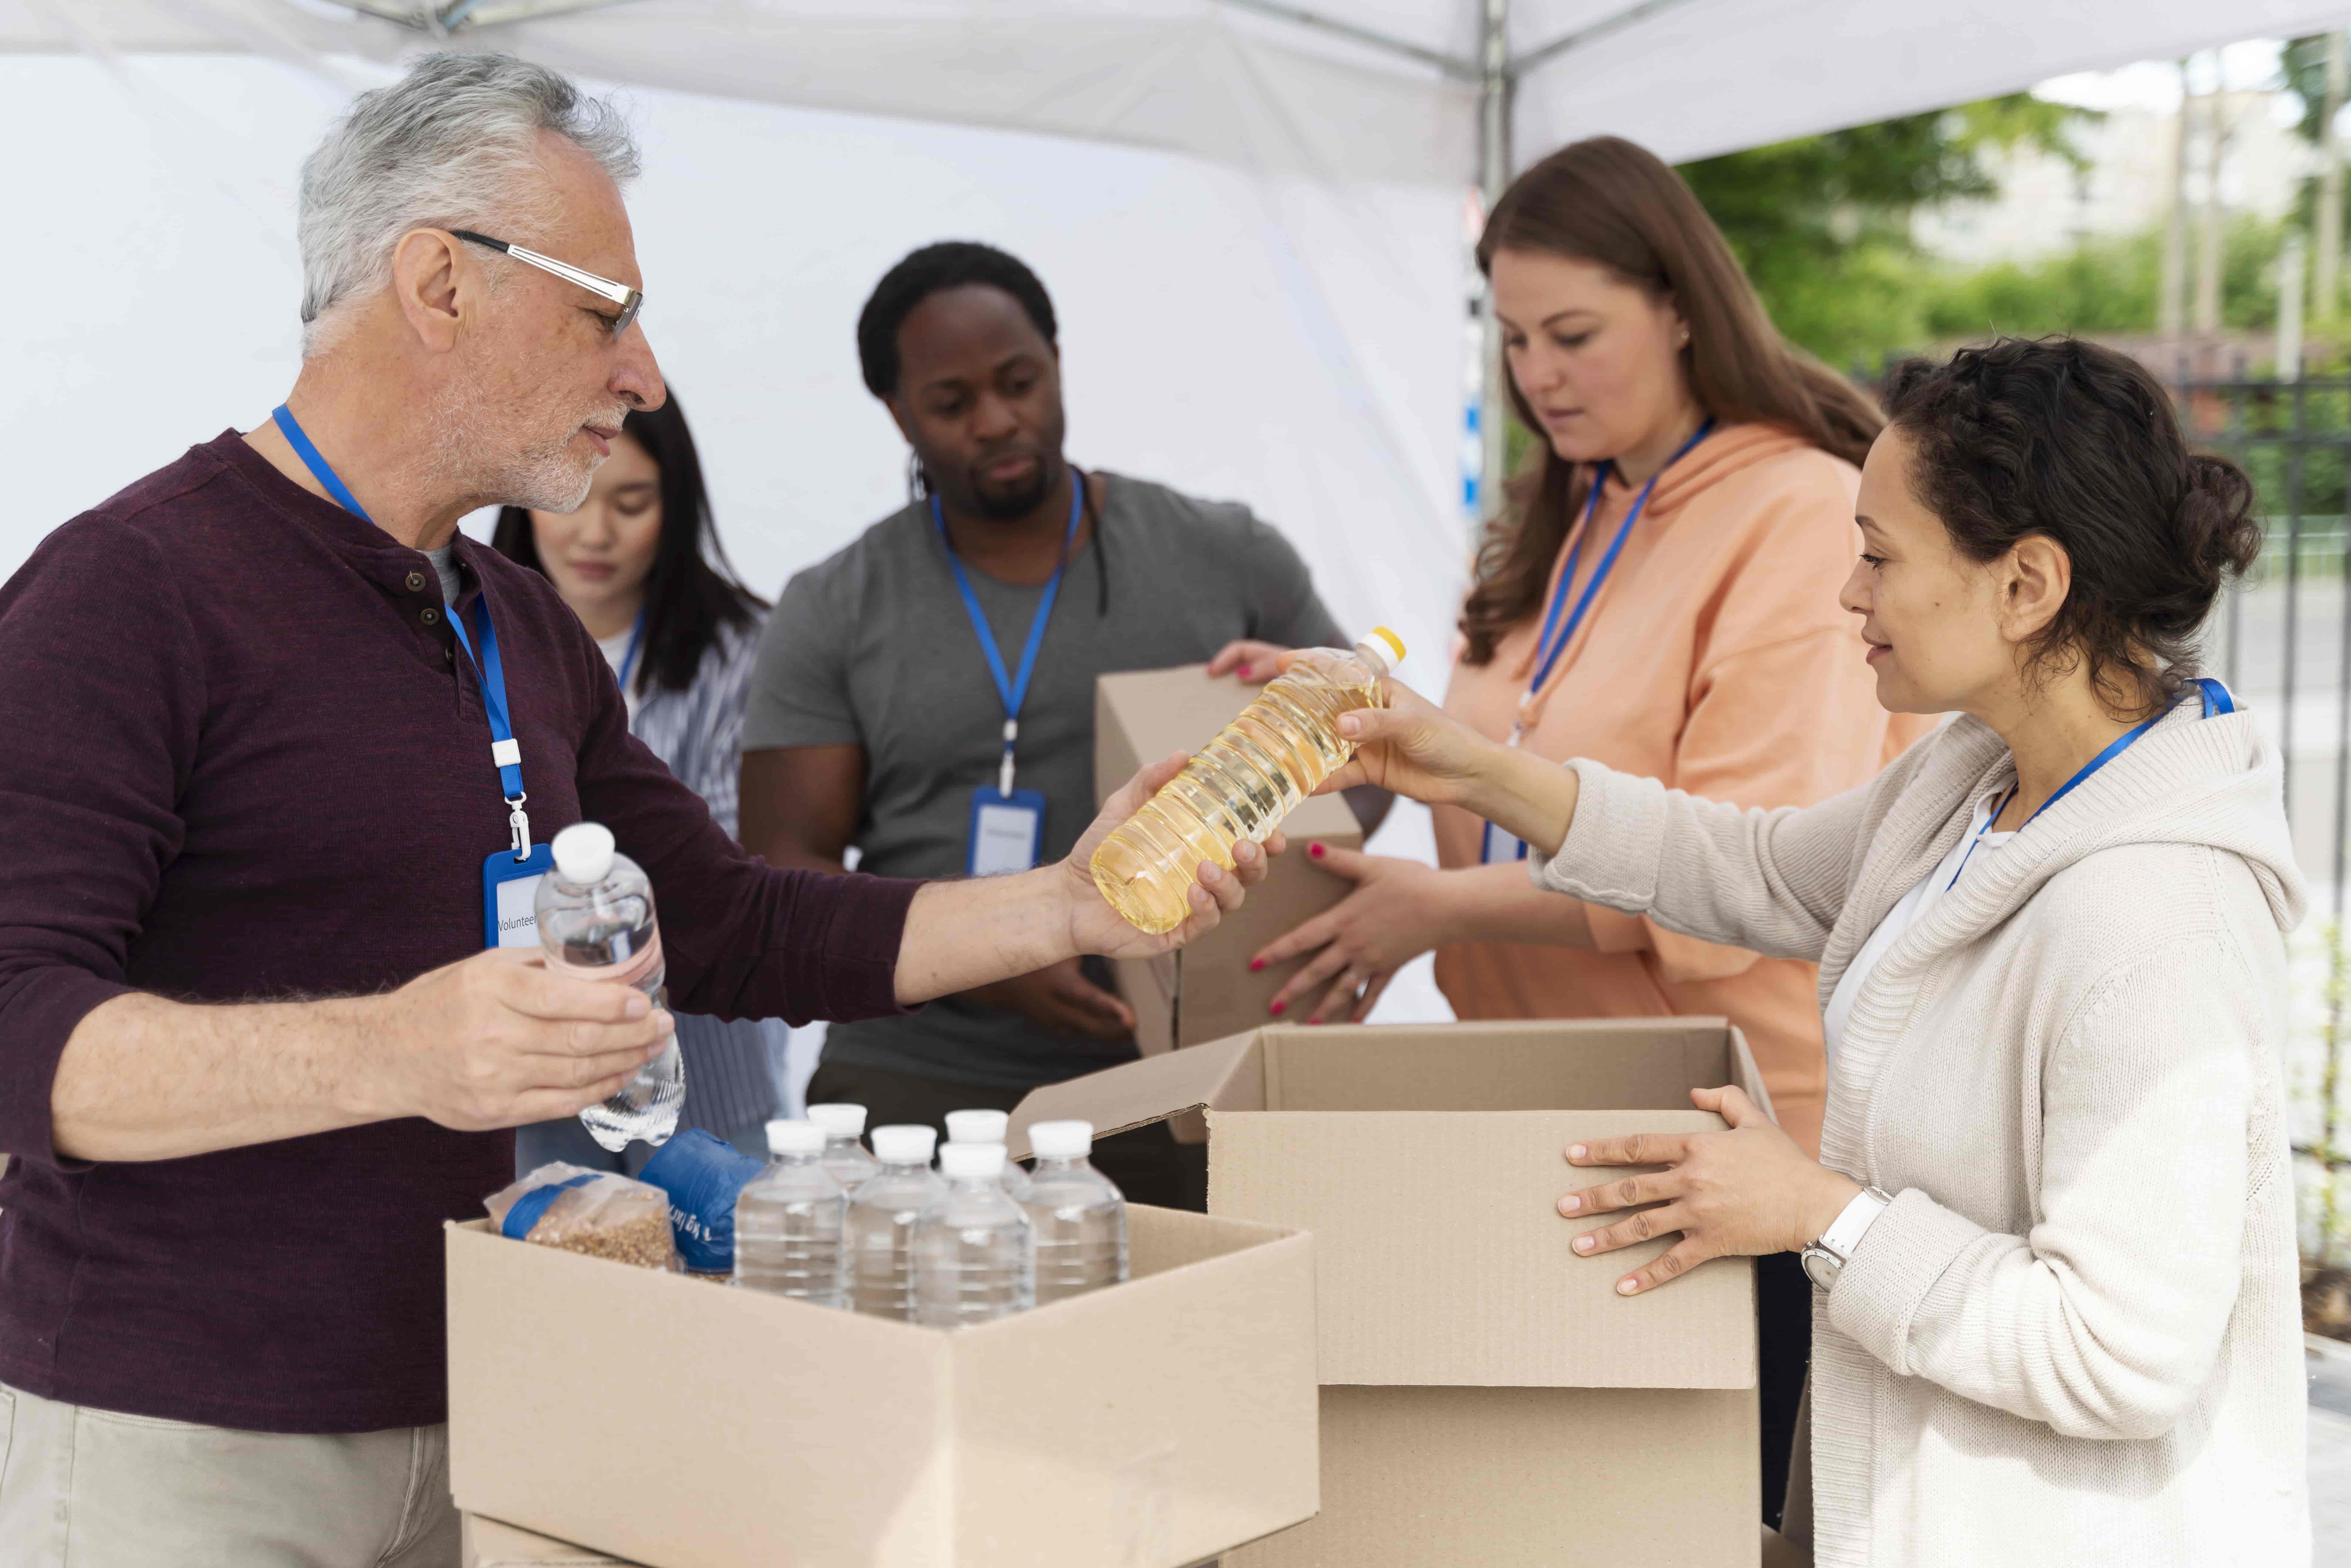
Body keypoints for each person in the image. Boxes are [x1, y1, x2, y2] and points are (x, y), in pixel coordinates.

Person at [0, 57, 1273, 1567]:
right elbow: (24, 1030)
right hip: (192, 1448)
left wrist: (1066, 900)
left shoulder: (511, 620)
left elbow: (731, 923)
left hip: (504, 1405)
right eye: (605, 311)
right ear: (439, 283)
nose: (644, 374)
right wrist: (396, 1047)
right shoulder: (127, 592)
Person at [1316, 336, 2307, 1565]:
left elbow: (2120, 1353)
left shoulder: (2156, 926)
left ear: (2027, 584)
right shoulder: (1979, 775)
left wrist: (1816, 1212)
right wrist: (1480, 770)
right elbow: (1765, 867)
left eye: (1881, 556)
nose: (1849, 593)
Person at [1214, 134, 1927, 1517]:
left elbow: (1745, 863)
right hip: (1557, 1112)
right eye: (1512, 338)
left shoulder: (1787, 512)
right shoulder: (1582, 499)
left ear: (1678, 304)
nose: (1536, 374)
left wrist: (1436, 908)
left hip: (1734, 1130)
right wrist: (1383, 723)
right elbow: (1532, 756)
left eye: (1572, 334)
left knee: (1706, 1519)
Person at [736, 241, 1371, 1211]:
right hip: (919, 1081)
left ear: (1059, 361)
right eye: (951, 404)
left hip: (1182, 1074)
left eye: (1020, 381)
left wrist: (1267, 832)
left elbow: (1369, 752)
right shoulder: (836, 606)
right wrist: (994, 960)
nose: (998, 421)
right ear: (898, 414)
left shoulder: (1222, 555)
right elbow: (782, 875)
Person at [492, 394, 786, 1174]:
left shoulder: (747, 654)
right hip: (535, 1073)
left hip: (706, 1076)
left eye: (632, 502)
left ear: (677, 506)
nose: (596, 533)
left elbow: (729, 873)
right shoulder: (471, 644)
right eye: (577, 496)